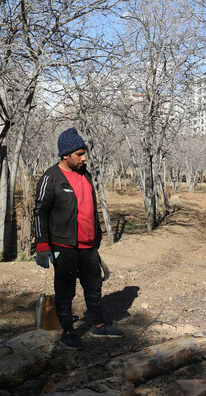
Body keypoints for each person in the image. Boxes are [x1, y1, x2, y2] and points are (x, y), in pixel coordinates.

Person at [34, 127, 124, 349]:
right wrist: (42, 245)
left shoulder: (86, 174)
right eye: (79, 154)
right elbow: (40, 212)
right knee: (65, 291)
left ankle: (99, 325)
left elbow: (89, 206)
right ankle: (68, 332)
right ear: (65, 154)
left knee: (93, 287)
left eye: (84, 153)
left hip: (88, 245)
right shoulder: (51, 177)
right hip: (63, 245)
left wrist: (97, 233)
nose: (84, 158)